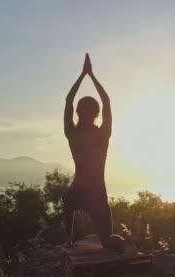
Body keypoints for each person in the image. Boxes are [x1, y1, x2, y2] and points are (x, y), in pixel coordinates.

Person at [62, 53, 123, 251]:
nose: (88, 113)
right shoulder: (78, 134)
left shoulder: (97, 135)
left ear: (94, 113)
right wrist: (86, 75)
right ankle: (68, 239)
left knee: (110, 242)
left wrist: (88, 75)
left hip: (97, 193)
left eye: (91, 109)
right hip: (80, 191)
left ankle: (70, 239)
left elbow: (105, 101)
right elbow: (70, 101)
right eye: (85, 109)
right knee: (68, 199)